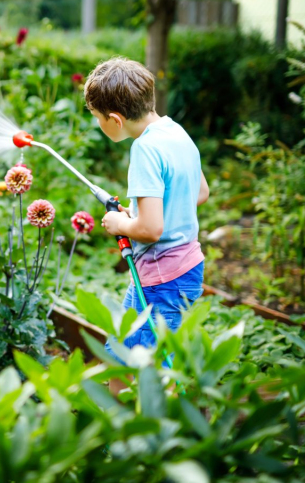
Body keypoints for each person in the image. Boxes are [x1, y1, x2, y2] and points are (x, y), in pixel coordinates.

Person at [84, 57, 210, 394]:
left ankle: (128, 431)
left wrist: (121, 223)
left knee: (135, 361)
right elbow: (200, 192)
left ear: (115, 119)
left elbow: (152, 231)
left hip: (161, 278)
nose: (99, 124)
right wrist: (140, 213)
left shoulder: (144, 150)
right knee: (144, 352)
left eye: (98, 119)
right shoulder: (175, 132)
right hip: (184, 270)